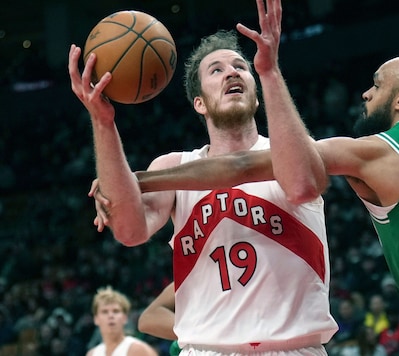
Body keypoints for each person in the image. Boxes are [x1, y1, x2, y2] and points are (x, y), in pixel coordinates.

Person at [125, 1, 399, 354]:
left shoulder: (377, 150)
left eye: (375, 85)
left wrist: (136, 181)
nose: (365, 91)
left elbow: (245, 167)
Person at [68, 0, 338, 354]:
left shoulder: (292, 155)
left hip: (294, 347)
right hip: (206, 348)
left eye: (241, 66)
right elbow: (130, 231)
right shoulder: (172, 167)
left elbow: (302, 185)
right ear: (199, 103)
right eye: (216, 70)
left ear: (256, 97)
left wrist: (269, 72)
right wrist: (103, 122)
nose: (232, 72)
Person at [86, 286, 157, 356]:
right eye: (105, 312)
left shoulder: (139, 350)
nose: (111, 315)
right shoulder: (92, 354)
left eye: (116, 311)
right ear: (96, 319)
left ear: (125, 318)